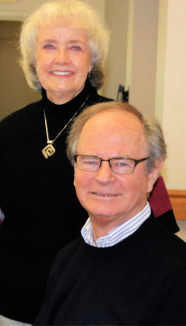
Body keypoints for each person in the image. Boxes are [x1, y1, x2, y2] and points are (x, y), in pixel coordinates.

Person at [0, 1, 179, 325]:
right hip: (13, 310)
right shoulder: (7, 133)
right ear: (34, 59)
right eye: (49, 46)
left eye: (75, 47)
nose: (61, 58)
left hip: (101, 309)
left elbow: (159, 233)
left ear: (93, 60)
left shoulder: (123, 128)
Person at [35, 101, 186, 325]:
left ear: (153, 172)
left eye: (122, 163)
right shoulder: (66, 259)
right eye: (90, 161)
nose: (104, 177)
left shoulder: (178, 274)